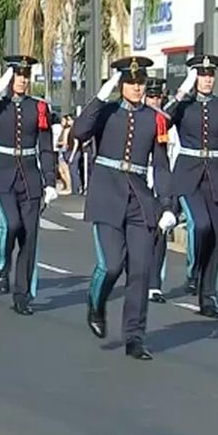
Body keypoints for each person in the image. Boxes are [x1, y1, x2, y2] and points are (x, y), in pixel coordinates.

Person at [75, 57, 175, 360]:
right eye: (130, 82)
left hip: (140, 199)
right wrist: (100, 96)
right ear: (120, 84)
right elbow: (79, 133)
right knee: (111, 265)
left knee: (141, 270)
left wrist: (167, 204)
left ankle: (135, 337)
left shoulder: (155, 119)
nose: (136, 87)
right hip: (107, 193)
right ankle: (96, 302)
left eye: (140, 82)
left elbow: (160, 164)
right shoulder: (105, 112)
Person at [0, 55, 58, 316]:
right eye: (18, 75)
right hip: (1, 176)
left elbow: (45, 146)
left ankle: (23, 295)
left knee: (29, 238)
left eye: (26, 76)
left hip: (29, 179)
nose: (22, 80)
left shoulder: (38, 107)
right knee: (11, 223)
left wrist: (50, 181)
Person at [167, 55, 218, 318]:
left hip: (216, 176)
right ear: (194, 77)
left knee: (215, 237)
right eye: (201, 74)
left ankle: (208, 297)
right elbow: (161, 119)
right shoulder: (182, 106)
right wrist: (181, 90)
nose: (207, 79)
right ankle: (193, 272)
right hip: (188, 175)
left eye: (210, 74)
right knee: (199, 225)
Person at [144, 77, 179, 303]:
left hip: (162, 185)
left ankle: (154, 284)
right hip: (138, 183)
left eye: (158, 97)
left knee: (159, 236)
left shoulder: (168, 123)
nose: (155, 101)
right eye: (151, 96)